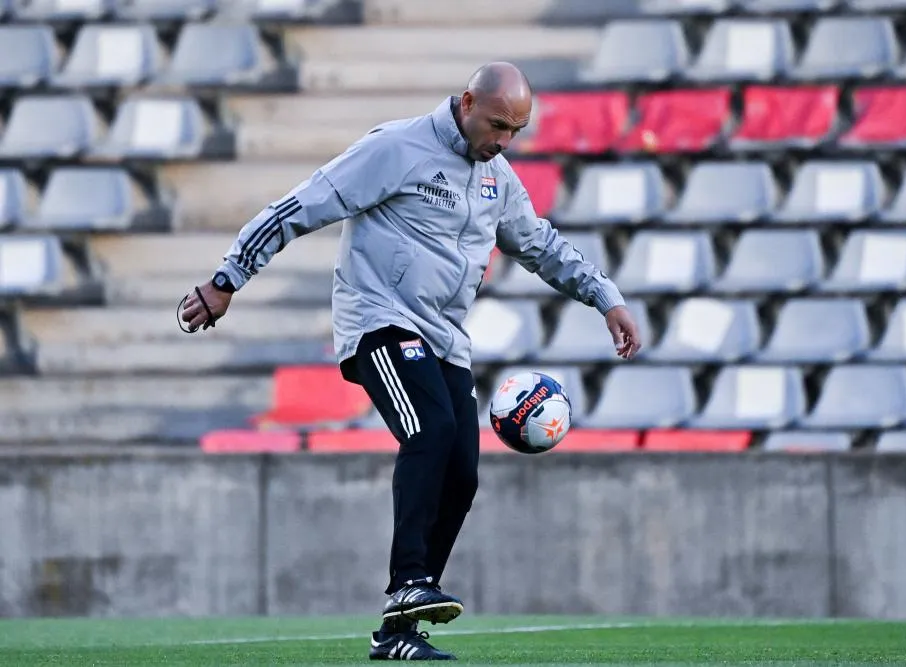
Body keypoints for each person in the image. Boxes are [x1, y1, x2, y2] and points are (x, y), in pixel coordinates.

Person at [179, 61, 643, 661]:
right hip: (378, 320)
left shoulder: (496, 179)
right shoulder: (397, 148)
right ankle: (408, 582)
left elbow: (540, 245)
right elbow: (303, 202)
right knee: (430, 429)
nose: (504, 140)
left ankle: (399, 629)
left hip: (445, 339)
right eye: (497, 125)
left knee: (462, 472)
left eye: (516, 131)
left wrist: (606, 298)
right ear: (467, 102)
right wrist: (227, 279)